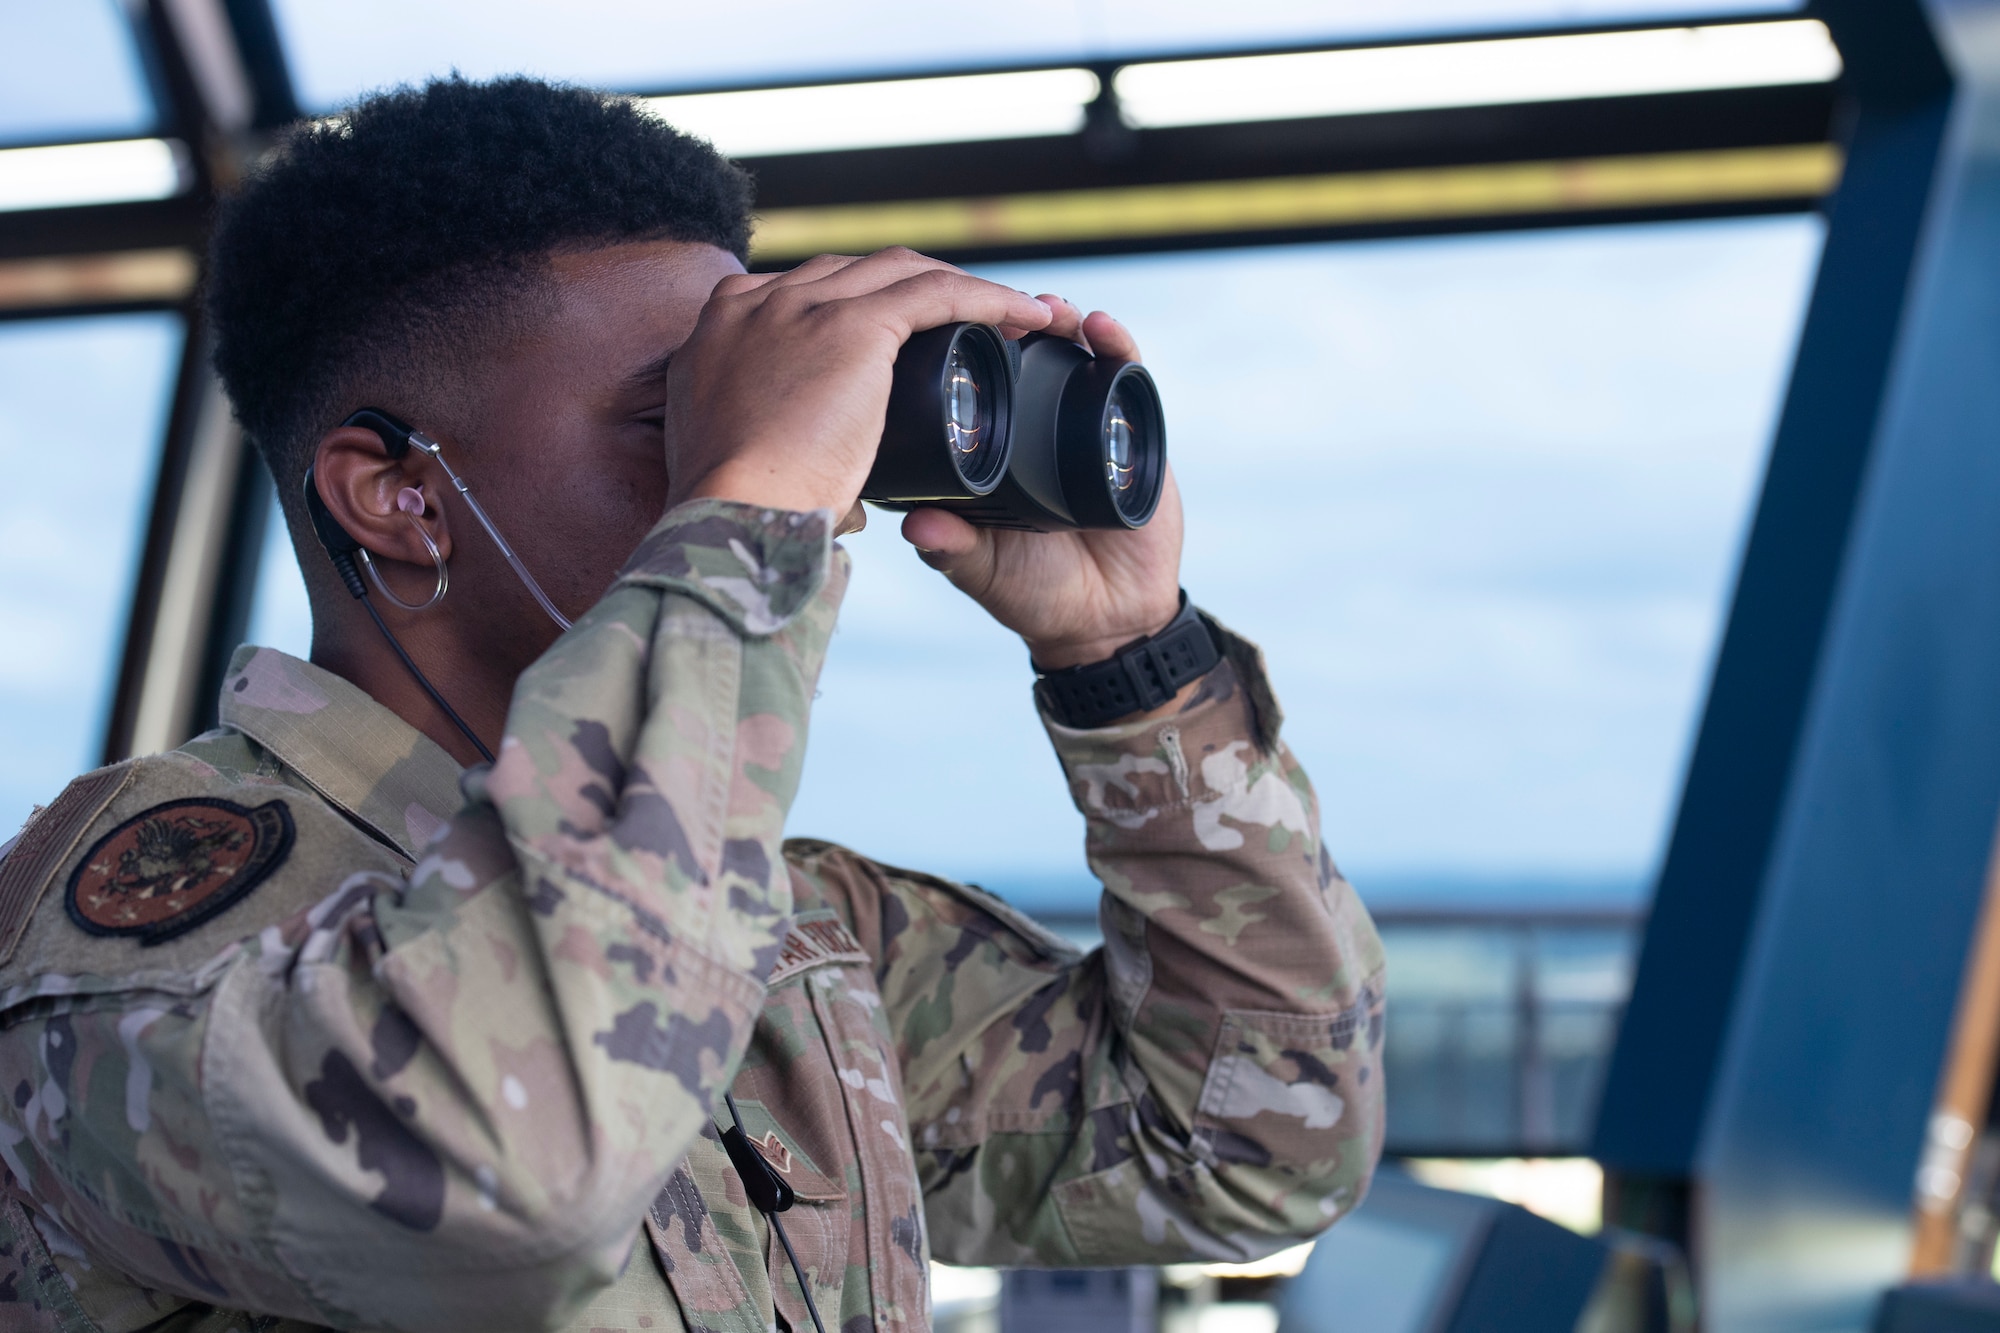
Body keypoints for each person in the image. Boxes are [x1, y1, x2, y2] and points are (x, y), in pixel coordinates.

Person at [0, 78, 1384, 1333]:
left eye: (769, 421)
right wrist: (754, 501)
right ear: (401, 496)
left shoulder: (785, 936)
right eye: (683, 419)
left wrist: (1129, 662)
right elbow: (514, 1164)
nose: (811, 487)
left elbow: (1253, 1144)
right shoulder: (143, 933)